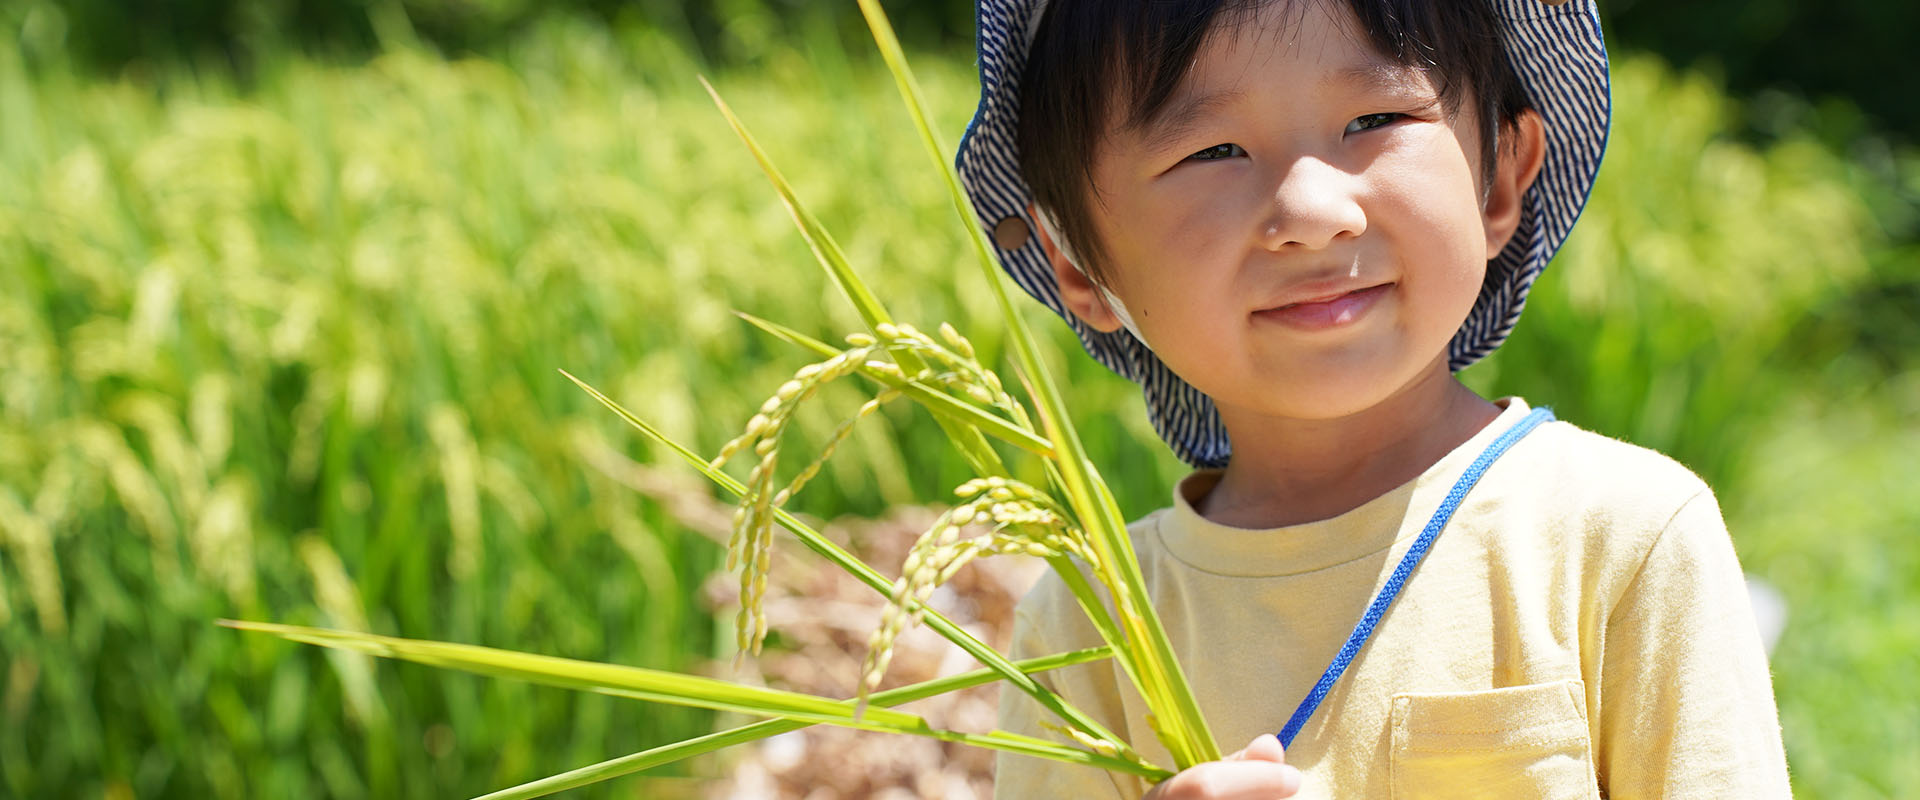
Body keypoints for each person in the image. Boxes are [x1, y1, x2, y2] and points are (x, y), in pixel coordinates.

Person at [953, 0, 1793, 797]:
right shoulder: (1089, 629)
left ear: (1499, 180)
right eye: (1210, 152)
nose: (1311, 212)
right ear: (1079, 267)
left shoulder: (1623, 537)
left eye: (1373, 121)